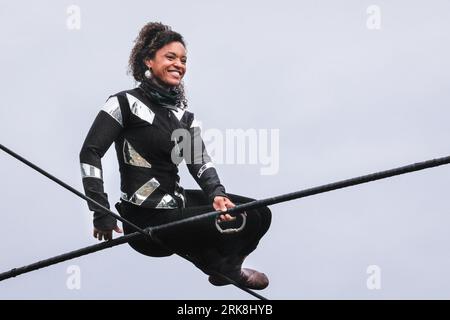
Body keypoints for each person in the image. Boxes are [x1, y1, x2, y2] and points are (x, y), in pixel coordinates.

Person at [79, 22, 271, 290]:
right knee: (243, 221)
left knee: (260, 213)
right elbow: (90, 153)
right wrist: (100, 211)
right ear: (148, 60)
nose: (179, 64)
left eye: (183, 60)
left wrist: (217, 194)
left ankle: (225, 267)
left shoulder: (182, 116)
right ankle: (220, 265)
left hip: (176, 208)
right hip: (144, 220)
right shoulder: (123, 104)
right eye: (170, 57)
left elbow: (199, 162)